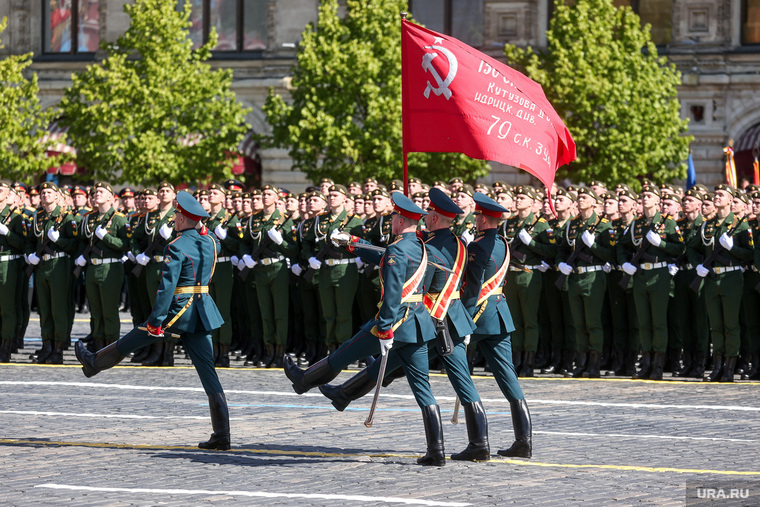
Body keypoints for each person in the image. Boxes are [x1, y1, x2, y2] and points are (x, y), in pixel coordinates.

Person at [318, 188, 488, 461]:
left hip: (433, 320)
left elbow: (396, 260)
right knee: (413, 369)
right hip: (452, 318)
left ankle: (459, 447)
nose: (426, 219)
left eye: (429, 215)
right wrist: (355, 242)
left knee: (405, 370)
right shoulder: (456, 243)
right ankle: (343, 393)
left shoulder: (431, 247)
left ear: (433, 218)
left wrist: (355, 244)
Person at [284, 193, 445, 466]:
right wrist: (356, 245)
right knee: (423, 390)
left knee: (343, 354)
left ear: (400, 220)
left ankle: (304, 381)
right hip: (419, 324)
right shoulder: (424, 248)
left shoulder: (397, 251)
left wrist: (383, 330)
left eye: (394, 216)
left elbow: (393, 293)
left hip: (393, 323)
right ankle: (437, 451)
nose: (391, 219)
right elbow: (436, 273)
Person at [75, 191, 230, 449]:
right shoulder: (212, 242)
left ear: (182, 219)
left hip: (180, 309)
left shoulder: (177, 245)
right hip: (202, 308)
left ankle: (95, 362)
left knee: (139, 334)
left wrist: (156, 320)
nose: (175, 220)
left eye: (178, 216)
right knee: (208, 372)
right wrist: (201, 226)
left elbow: (166, 288)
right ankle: (222, 435)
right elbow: (210, 237)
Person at [464, 192, 532, 458]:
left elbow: (472, 287)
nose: (475, 218)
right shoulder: (502, 241)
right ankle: (523, 440)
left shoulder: (479, 246)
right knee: (508, 377)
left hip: (480, 315)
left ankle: (478, 442)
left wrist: (464, 319)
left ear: (482, 218)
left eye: (477, 215)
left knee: (453, 369)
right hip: (500, 315)